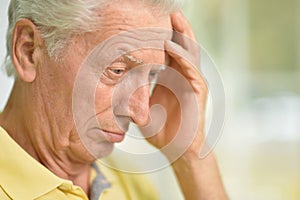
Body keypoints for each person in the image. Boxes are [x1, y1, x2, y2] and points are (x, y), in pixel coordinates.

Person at [0, 0, 228, 199]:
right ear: (28, 50)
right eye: (118, 71)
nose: (141, 113)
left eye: (152, 75)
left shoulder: (133, 187)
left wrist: (190, 154)